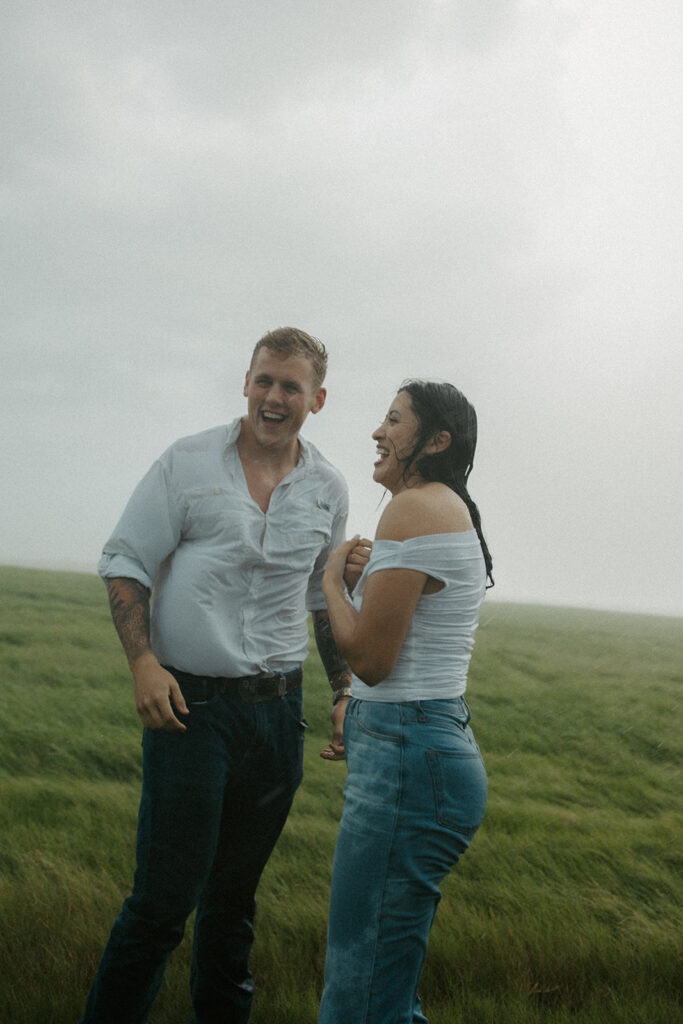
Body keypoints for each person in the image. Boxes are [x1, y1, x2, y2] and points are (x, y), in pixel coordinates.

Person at [80, 327, 357, 1024]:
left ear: (315, 400)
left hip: (276, 719)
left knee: (233, 908)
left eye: (289, 386)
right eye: (263, 380)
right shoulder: (187, 462)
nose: (272, 396)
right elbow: (125, 560)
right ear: (245, 382)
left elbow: (323, 601)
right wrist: (143, 661)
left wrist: (345, 690)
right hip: (189, 709)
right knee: (162, 906)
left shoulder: (327, 489)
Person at [318, 379, 493, 1024]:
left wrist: (332, 581)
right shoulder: (441, 508)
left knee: (360, 994)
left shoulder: (414, 507)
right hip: (415, 749)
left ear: (436, 440)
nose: (377, 432)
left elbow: (369, 658)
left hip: (407, 757)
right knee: (383, 988)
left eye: (394, 420)